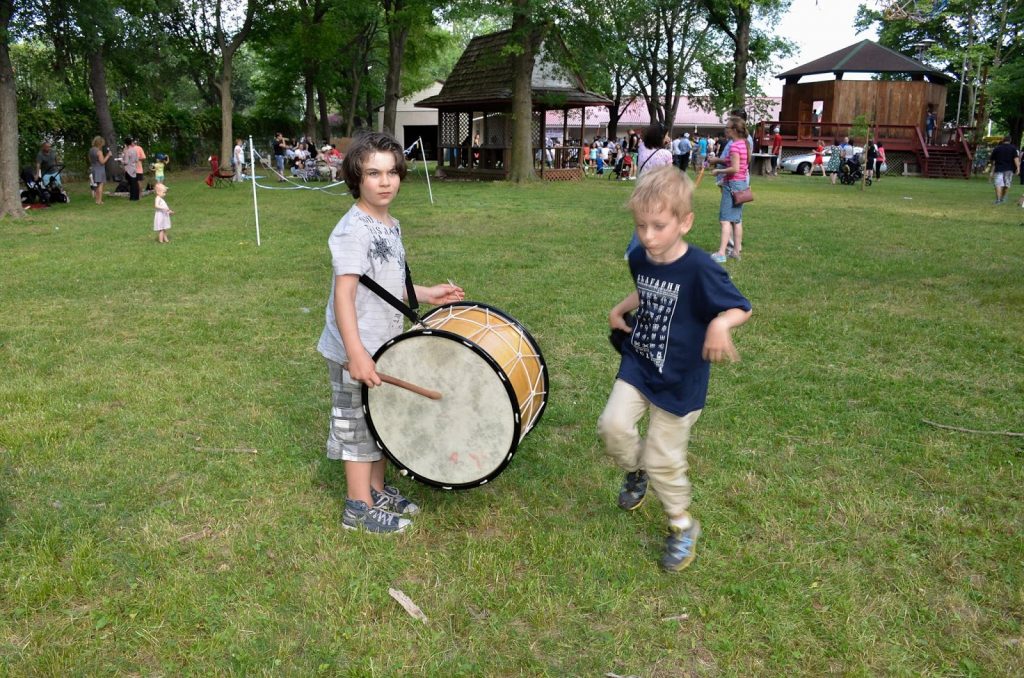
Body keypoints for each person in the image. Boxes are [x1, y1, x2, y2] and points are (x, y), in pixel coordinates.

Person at [599, 164, 752, 572]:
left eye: (659, 226)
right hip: (640, 361)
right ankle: (636, 472)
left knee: (665, 458)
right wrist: (620, 308)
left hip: (680, 379)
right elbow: (646, 288)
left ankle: (682, 525)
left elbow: (741, 307)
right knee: (612, 427)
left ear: (685, 223)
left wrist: (720, 323)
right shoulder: (639, 256)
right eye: (641, 225)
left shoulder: (702, 268)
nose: (648, 236)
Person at [316, 131, 465, 534]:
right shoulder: (353, 230)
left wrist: (429, 293)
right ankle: (357, 507)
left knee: (378, 419)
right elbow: (344, 294)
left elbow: (382, 283)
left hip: (382, 344)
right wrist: (357, 352)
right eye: (373, 174)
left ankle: (377, 489)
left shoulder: (388, 223)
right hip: (355, 348)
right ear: (356, 178)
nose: (385, 182)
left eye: (392, 172)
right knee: (356, 426)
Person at [710, 116, 751, 263]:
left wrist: (718, 172)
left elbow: (734, 168)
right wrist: (718, 161)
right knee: (737, 220)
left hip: (732, 185)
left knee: (725, 220)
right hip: (741, 184)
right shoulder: (744, 144)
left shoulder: (734, 146)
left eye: (727, 128)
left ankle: (721, 253)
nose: (726, 130)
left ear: (734, 130)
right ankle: (735, 251)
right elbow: (738, 164)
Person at [989, 135, 1021, 205]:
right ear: (1010, 140)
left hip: (999, 169)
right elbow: (1016, 159)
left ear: (1003, 140)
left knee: (998, 184)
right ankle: (1003, 198)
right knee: (1007, 185)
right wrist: (1018, 168)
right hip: (1009, 169)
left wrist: (992, 170)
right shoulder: (1013, 148)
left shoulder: (997, 148)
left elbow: (993, 160)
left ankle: (998, 200)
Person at [88, 136, 110, 205]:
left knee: (96, 185)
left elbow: (89, 159)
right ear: (100, 143)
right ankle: (99, 201)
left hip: (93, 168)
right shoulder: (99, 151)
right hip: (99, 169)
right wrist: (108, 155)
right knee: (100, 185)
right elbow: (102, 162)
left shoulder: (91, 150)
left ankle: (96, 200)